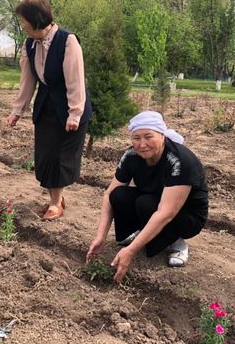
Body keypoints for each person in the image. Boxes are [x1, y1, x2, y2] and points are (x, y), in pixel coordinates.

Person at [86, 111, 208, 282]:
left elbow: (166, 213)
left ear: (162, 136)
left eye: (148, 137)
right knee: (119, 195)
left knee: (147, 204)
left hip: (186, 216)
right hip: (153, 201)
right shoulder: (131, 155)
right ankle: (141, 236)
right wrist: (101, 236)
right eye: (136, 138)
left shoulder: (179, 160)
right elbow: (108, 195)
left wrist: (131, 251)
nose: (142, 144)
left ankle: (177, 243)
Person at [6, 0, 92, 220]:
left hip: (69, 105)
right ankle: (55, 199)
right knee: (45, 156)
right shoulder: (29, 45)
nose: (22, 25)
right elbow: (28, 81)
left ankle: (55, 203)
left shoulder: (67, 40)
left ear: (36, 19)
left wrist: (75, 113)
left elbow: (76, 79)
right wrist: (17, 111)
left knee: (60, 156)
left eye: (24, 20)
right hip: (45, 105)